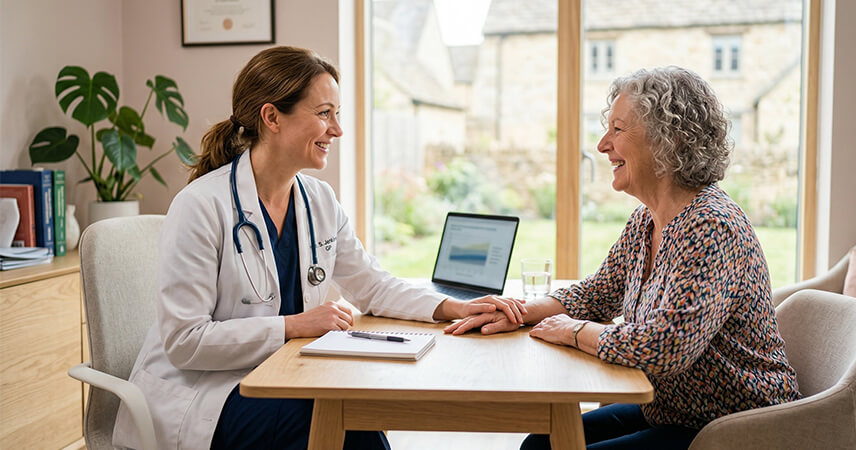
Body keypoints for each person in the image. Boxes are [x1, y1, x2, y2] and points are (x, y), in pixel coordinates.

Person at [111, 46, 525, 450]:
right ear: (272, 117)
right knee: (339, 420)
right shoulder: (201, 206)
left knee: (350, 410)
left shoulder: (318, 200)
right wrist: (294, 325)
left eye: (336, 115)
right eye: (324, 114)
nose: (337, 130)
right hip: (209, 396)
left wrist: (453, 307)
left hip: (285, 376)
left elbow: (373, 286)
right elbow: (186, 341)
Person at [445, 66, 802, 450]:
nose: (602, 144)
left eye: (618, 129)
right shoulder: (647, 219)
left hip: (730, 425)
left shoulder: (712, 226)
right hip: (672, 411)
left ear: (671, 139)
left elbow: (663, 347)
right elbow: (599, 293)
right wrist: (518, 311)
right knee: (540, 444)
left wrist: (573, 331)